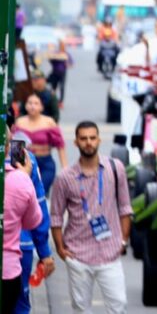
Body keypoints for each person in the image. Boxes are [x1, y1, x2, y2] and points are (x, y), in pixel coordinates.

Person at [50, 121, 132, 314]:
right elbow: (55, 217)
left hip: (110, 252)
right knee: (81, 309)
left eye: (92, 138)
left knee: (119, 305)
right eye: (83, 138)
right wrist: (61, 249)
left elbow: (125, 207)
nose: (88, 142)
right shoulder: (65, 178)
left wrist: (123, 240)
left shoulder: (115, 168)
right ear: (76, 142)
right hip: (78, 253)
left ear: (99, 140)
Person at [12, 133, 56, 314]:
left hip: (19, 249)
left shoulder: (23, 157)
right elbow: (37, 211)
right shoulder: (22, 157)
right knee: (19, 304)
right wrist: (44, 251)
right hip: (19, 249)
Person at [3, 142, 42, 314]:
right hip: (8, 271)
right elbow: (32, 221)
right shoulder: (20, 179)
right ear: (6, 149)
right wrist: (24, 178)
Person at [14, 95, 66, 196]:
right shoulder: (20, 122)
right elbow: (16, 149)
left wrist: (65, 167)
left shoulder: (49, 122)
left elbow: (60, 145)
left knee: (40, 192)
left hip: (45, 163)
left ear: (41, 107)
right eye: (30, 103)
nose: (33, 106)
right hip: (26, 162)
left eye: (36, 103)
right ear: (26, 106)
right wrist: (16, 168)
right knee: (26, 194)